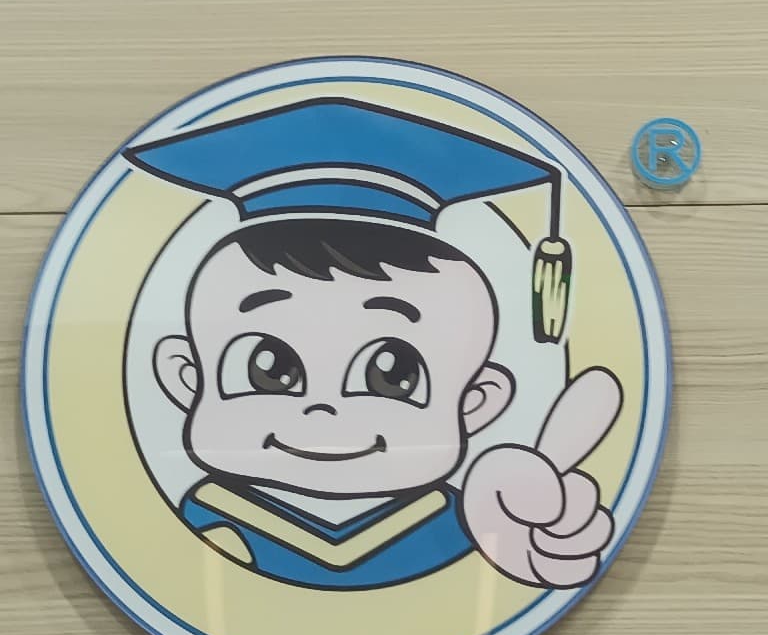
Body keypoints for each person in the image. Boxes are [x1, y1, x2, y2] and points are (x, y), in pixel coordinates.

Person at [126, 98, 620, 590]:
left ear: (476, 403)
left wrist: (521, 541)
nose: (322, 412)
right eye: (270, 370)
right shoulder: (204, 526)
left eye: (391, 375)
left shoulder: (461, 526)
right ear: (186, 377)